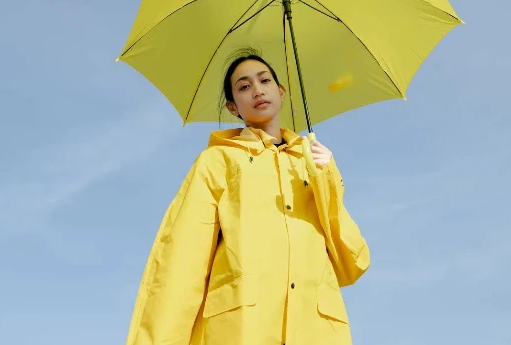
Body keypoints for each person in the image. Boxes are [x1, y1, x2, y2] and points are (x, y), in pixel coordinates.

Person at [125, 51, 370, 345]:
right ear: (232, 107)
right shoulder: (217, 161)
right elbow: (181, 261)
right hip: (240, 329)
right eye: (244, 86)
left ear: (280, 92)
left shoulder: (313, 164)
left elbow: (351, 262)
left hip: (316, 331)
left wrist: (327, 176)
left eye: (265, 80)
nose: (257, 89)